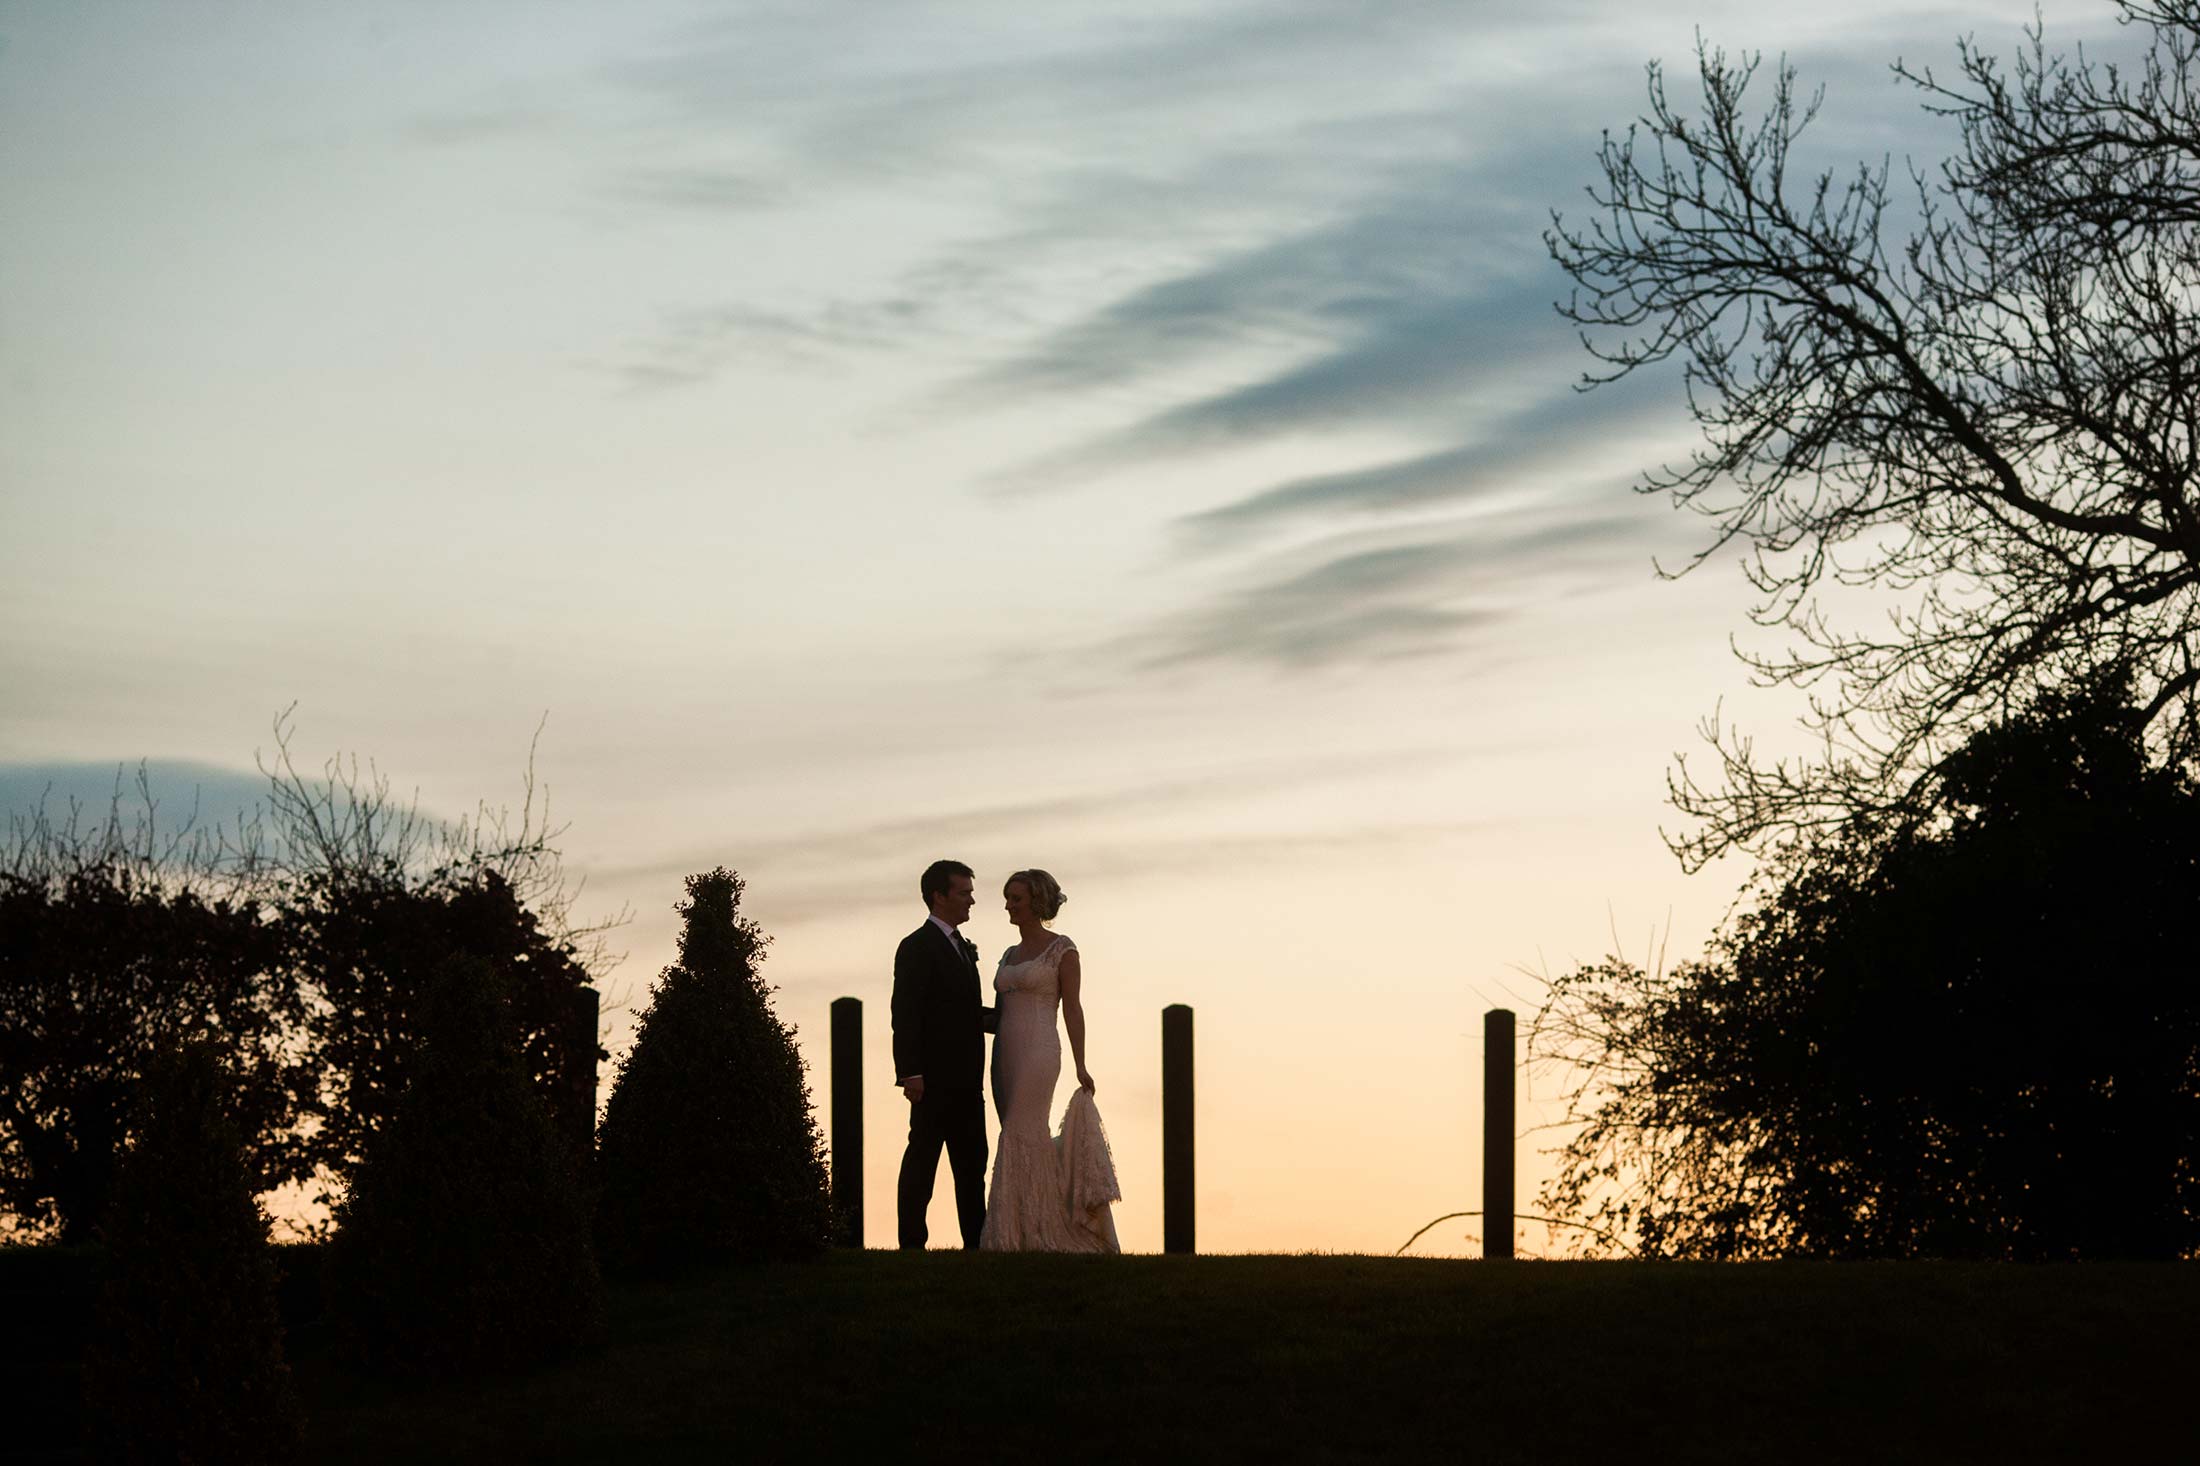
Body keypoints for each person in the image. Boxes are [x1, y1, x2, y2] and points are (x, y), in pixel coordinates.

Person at [979, 868, 1120, 1252]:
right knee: (1017, 1133)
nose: (1008, 906)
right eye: (1007, 899)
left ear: (1036, 902)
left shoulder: (1063, 950)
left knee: (1020, 1130)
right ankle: (1023, 1228)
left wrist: (1080, 1063)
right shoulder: (1008, 955)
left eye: (1016, 899)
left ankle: (1027, 1234)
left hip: (1040, 1050)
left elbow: (1073, 1009)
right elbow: (999, 1012)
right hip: (1005, 1052)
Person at [892, 859, 996, 1250]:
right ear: (939, 896)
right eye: (964, 892)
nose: (971, 900)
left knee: (972, 1166)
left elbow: (965, 1011)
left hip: (968, 1080)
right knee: (922, 1163)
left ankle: (976, 1244)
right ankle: (912, 1243)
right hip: (933, 1081)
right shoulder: (916, 946)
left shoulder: (963, 948)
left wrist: (1017, 1017)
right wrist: (911, 1072)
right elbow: (906, 1012)